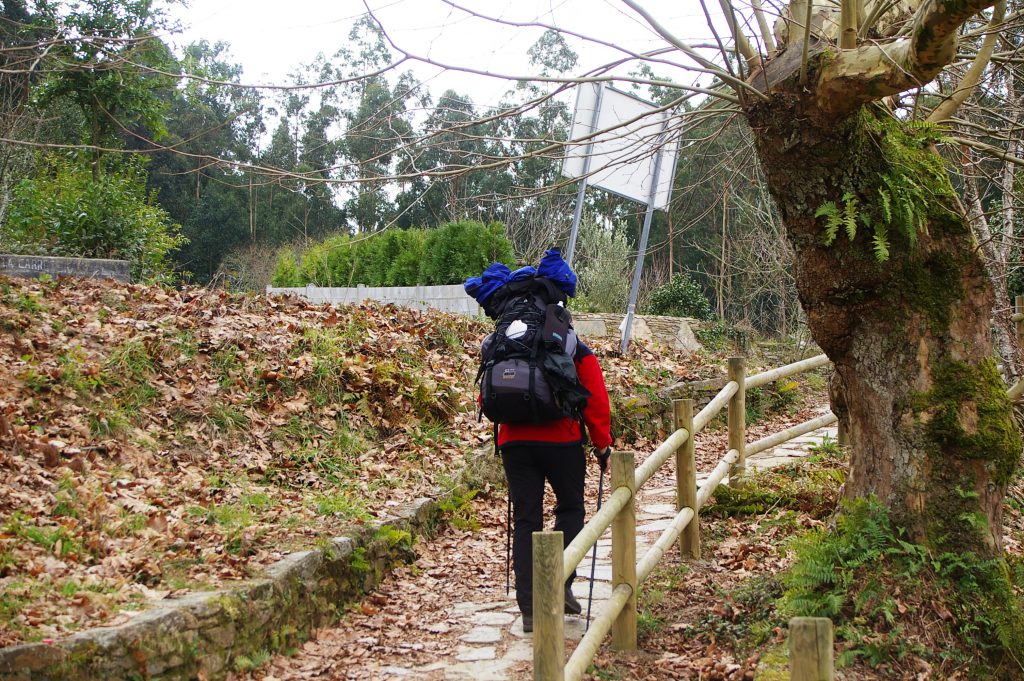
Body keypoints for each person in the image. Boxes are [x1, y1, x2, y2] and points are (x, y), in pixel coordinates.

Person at [465, 249, 612, 633]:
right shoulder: (565, 338)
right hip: (561, 439)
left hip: (515, 441)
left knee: (526, 518)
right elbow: (594, 393)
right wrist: (602, 443)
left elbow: (486, 395)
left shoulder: (503, 337)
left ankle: (530, 608)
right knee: (570, 509)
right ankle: (560, 582)